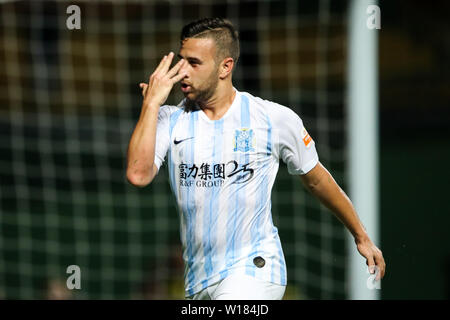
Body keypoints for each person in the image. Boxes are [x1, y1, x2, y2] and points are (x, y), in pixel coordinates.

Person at [126, 17, 385, 300]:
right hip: (197, 281)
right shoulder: (169, 119)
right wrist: (151, 105)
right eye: (182, 60)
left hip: (254, 271)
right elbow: (138, 174)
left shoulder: (273, 119)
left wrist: (361, 235)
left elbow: (316, 179)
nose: (182, 71)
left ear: (225, 66)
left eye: (194, 63)